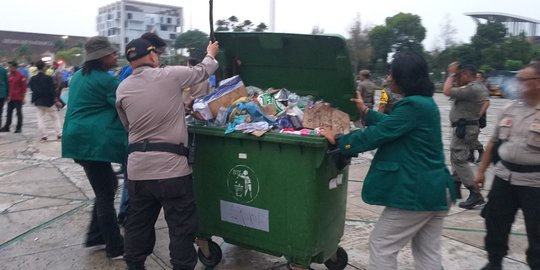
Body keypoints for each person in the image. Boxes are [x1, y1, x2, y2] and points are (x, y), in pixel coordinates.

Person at [321, 52, 455, 270]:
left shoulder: (413, 105)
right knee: (427, 253)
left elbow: (377, 134)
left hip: (418, 192)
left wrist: (339, 139)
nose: (388, 78)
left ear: (406, 77)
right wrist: (365, 111)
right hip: (436, 189)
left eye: (393, 74)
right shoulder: (423, 103)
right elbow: (393, 123)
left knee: (381, 244)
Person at [116, 38, 219, 270]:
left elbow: (128, 124)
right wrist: (211, 52)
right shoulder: (170, 75)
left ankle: (134, 265)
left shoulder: (122, 88)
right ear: (152, 56)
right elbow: (204, 70)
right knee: (181, 228)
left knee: (137, 225)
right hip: (172, 171)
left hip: (138, 171)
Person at [61, 36, 126, 260]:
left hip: (77, 139)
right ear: (101, 57)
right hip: (90, 143)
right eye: (112, 53)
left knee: (108, 185)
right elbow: (126, 103)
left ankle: (96, 236)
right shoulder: (105, 80)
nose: (115, 56)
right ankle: (115, 247)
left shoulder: (78, 75)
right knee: (105, 194)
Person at [475, 63, 540, 270]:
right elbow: (493, 142)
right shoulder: (509, 108)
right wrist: (481, 171)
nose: (516, 84)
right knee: (495, 223)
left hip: (534, 183)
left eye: (522, 80)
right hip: (504, 178)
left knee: (537, 231)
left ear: (537, 84)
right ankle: (494, 261)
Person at [115, 32, 168, 226]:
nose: (158, 58)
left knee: (132, 175)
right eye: (158, 53)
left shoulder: (128, 70)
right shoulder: (135, 73)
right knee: (133, 177)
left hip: (129, 130)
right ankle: (127, 214)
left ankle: (126, 212)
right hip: (135, 132)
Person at [443, 63, 489, 209]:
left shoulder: (472, 88)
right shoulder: (473, 87)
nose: (457, 78)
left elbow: (447, 91)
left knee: (459, 158)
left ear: (466, 74)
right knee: (457, 156)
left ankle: (475, 193)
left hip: (465, 128)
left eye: (459, 75)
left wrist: (451, 74)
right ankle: (455, 185)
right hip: (465, 128)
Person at [28, 60, 62, 141]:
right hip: (49, 101)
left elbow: (32, 88)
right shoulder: (48, 78)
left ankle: (44, 135)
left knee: (40, 118)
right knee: (54, 117)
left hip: (38, 101)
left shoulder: (33, 78)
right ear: (44, 67)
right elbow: (52, 90)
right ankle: (59, 134)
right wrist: (56, 99)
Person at [468, 71, 490, 163]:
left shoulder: (482, 89)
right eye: (475, 77)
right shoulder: (473, 88)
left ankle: (481, 151)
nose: (476, 79)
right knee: (471, 135)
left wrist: (479, 115)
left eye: (478, 77)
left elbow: (486, 102)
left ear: (482, 79)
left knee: (472, 136)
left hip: (478, 117)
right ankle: (471, 155)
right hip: (471, 115)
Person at [0, 61, 27, 133]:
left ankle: (19, 128)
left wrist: (23, 98)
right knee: (9, 112)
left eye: (10, 67)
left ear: (15, 67)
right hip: (11, 97)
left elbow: (24, 88)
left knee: (18, 113)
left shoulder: (21, 76)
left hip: (18, 97)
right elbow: (8, 86)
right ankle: (7, 126)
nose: (9, 68)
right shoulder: (10, 75)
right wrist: (8, 95)